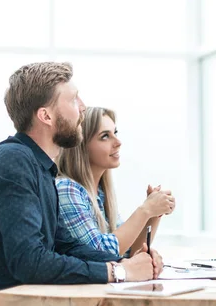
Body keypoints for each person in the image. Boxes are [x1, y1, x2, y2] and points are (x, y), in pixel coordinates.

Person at [0, 62, 162, 306]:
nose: (82, 107)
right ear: (46, 116)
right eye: (73, 100)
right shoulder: (14, 162)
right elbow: (29, 261)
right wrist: (119, 272)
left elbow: (64, 245)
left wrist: (129, 262)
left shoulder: (40, 168)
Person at [56, 106, 175, 257]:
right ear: (81, 146)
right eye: (105, 136)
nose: (118, 142)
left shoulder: (100, 194)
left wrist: (155, 213)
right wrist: (145, 210)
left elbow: (129, 252)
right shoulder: (66, 189)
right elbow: (99, 253)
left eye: (115, 133)